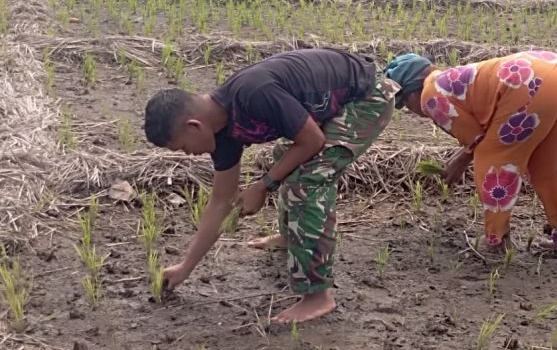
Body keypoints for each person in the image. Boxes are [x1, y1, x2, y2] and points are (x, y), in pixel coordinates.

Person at [143, 48, 398, 323]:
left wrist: (263, 185)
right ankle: (294, 237)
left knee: (307, 180)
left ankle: (318, 296)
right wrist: (185, 267)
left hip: (367, 96)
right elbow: (221, 202)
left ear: (194, 126)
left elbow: (312, 141)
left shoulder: (253, 93)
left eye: (182, 147)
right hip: (334, 105)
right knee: (285, 159)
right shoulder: (222, 135)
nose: (187, 154)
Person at [386, 51, 557, 250]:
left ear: (411, 91)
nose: (409, 109)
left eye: (404, 104)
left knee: (493, 161)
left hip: (531, 84)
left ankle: (497, 238)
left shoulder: (430, 96)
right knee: (551, 162)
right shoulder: (449, 81)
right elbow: (482, 135)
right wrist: (465, 154)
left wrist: (459, 164)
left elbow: (478, 142)